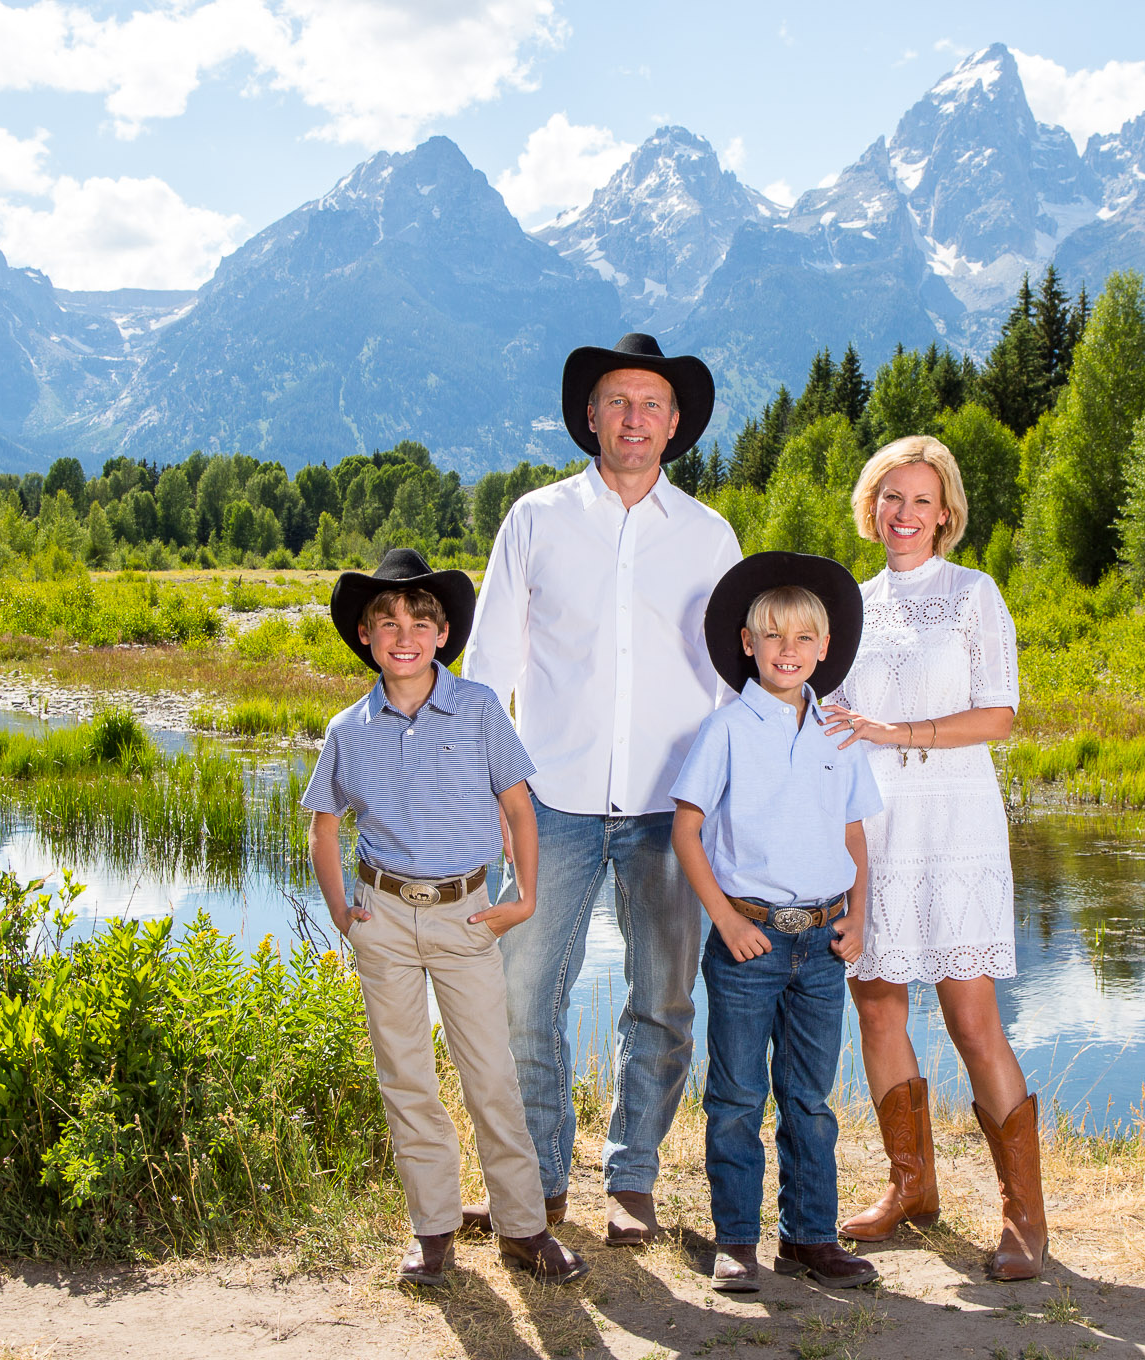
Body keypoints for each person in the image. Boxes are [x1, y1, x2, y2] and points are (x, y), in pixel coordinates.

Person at [461, 333, 743, 1244]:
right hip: (552, 803)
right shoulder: (536, 520)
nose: (634, 418)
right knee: (519, 998)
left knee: (662, 1001)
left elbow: (738, 680)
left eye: (651, 405)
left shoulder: (709, 536)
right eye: (618, 401)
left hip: (673, 811)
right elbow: (491, 664)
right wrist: (494, 798)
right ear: (590, 414)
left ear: (674, 426)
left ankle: (632, 1177)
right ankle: (540, 1181)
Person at [302, 548, 586, 1289]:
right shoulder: (348, 727)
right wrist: (343, 912)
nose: (403, 633)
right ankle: (433, 1231)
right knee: (406, 1077)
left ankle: (523, 1228)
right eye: (387, 620)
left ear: (441, 634)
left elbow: (518, 805)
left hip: (467, 916)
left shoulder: (482, 707)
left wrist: (520, 898)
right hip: (385, 918)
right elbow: (323, 825)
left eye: (419, 621)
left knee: (491, 1072)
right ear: (366, 635)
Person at [821, 436, 1044, 1281]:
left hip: (954, 825)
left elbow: (999, 715)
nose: (903, 514)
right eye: (889, 498)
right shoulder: (850, 606)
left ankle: (1024, 1218)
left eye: (920, 500)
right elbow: (827, 718)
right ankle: (912, 1189)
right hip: (873, 832)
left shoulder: (973, 596)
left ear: (945, 512)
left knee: (970, 1019)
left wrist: (898, 733)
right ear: (870, 507)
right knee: (877, 1007)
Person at [670, 553, 883, 1293]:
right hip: (750, 943)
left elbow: (856, 834)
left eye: (802, 638)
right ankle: (736, 1242)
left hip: (823, 942)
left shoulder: (840, 733)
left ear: (824, 649)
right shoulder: (727, 729)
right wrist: (724, 920)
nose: (787, 651)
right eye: (772, 638)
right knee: (735, 1098)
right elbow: (687, 831)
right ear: (747, 645)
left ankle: (810, 1238)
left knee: (810, 1100)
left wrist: (861, 918)